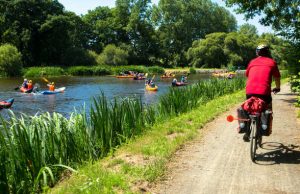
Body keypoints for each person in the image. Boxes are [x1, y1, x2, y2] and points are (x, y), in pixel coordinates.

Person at [242, 44, 281, 141]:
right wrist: (278, 87)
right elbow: (277, 77)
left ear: (257, 53)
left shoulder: (252, 62)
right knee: (267, 107)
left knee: (249, 107)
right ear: (268, 52)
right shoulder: (272, 62)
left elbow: (247, 75)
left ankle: (247, 131)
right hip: (264, 92)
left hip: (250, 91)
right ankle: (264, 126)